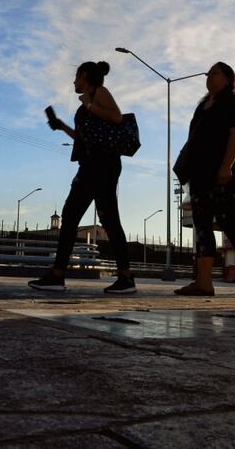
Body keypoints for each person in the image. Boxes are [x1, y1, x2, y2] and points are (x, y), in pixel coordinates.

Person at [29, 61, 136, 294]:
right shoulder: (88, 101)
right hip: (91, 165)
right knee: (71, 217)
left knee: (106, 219)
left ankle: (125, 278)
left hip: (103, 165)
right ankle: (58, 275)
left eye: (76, 76)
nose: (73, 82)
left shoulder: (99, 92)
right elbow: (84, 137)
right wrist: (62, 127)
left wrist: (88, 103)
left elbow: (117, 117)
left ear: (85, 76)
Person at [175, 62, 235, 297]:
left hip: (222, 171)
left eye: (215, 72)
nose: (209, 76)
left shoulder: (233, 102)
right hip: (200, 173)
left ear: (228, 78)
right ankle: (204, 282)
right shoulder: (202, 106)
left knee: (227, 221)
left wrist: (226, 166)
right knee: (202, 224)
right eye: (208, 73)